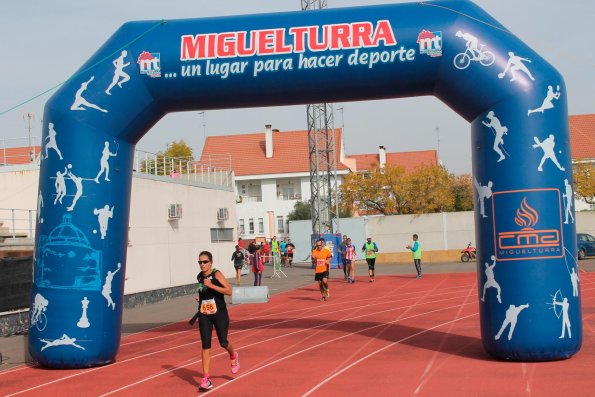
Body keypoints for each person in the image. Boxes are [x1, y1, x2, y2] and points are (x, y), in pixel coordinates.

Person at [195, 251, 240, 391]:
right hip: (204, 313)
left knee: (223, 342)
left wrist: (212, 285)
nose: (202, 265)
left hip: (219, 313)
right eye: (200, 262)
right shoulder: (199, 276)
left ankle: (233, 355)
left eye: (204, 262)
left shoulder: (216, 274)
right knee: (205, 345)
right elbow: (202, 291)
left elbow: (229, 291)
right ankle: (206, 379)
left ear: (211, 262)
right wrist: (200, 298)